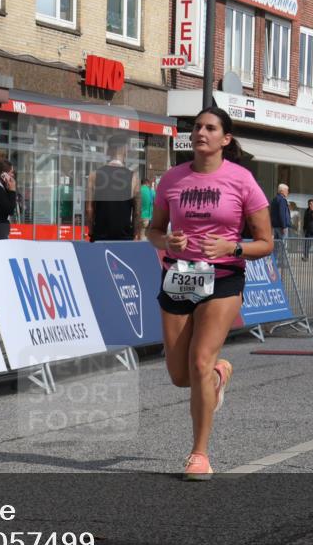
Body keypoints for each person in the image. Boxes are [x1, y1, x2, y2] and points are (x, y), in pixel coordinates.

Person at [146, 106, 273, 480]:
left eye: (210, 127)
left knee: (199, 360)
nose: (201, 132)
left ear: (225, 138)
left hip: (223, 278)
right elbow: (152, 230)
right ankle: (217, 378)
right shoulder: (172, 179)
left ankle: (198, 454)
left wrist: (232, 249)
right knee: (180, 375)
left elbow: (266, 243)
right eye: (197, 126)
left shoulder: (243, 180)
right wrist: (165, 239)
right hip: (179, 276)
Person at [86, 135, 141, 241]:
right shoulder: (133, 177)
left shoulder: (94, 175)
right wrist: (134, 233)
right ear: (125, 150)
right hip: (124, 237)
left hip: (100, 236)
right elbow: (137, 211)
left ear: (108, 151)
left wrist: (92, 231)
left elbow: (89, 209)